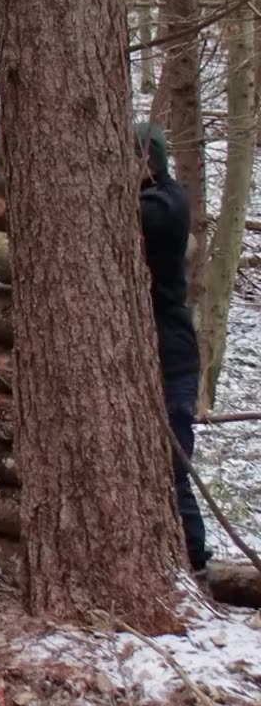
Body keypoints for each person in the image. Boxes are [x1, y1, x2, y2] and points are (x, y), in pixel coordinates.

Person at [133, 121, 212, 578]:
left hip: (172, 358)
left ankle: (196, 566)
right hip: (160, 355)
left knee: (171, 467)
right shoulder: (158, 196)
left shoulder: (163, 204)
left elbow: (130, 214)